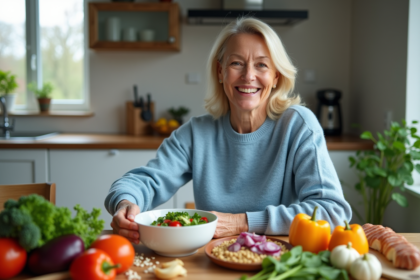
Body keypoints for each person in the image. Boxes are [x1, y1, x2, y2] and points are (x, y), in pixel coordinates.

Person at [105, 17, 352, 244]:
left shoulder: (298, 125)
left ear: (276, 76)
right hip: (212, 260)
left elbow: (332, 212)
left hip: (280, 262)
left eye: (261, 65)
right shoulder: (196, 133)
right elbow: (142, 181)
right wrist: (125, 203)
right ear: (221, 72)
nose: (248, 76)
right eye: (236, 63)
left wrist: (240, 222)